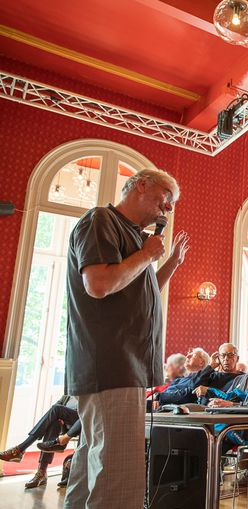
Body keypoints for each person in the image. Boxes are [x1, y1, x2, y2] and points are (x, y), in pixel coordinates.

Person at [63, 169, 189, 508]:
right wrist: (147, 255)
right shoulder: (102, 220)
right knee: (119, 475)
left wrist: (169, 264)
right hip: (111, 364)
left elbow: (138, 292)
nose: (169, 207)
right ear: (141, 185)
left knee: (93, 467)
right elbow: (100, 284)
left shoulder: (137, 239)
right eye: (167, 197)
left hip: (124, 366)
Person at [0, 395, 80, 489]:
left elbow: (86, 412)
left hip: (79, 424)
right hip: (64, 425)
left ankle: (21, 449)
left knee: (56, 410)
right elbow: (56, 405)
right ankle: (41, 472)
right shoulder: (68, 395)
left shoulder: (86, 392)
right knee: (53, 423)